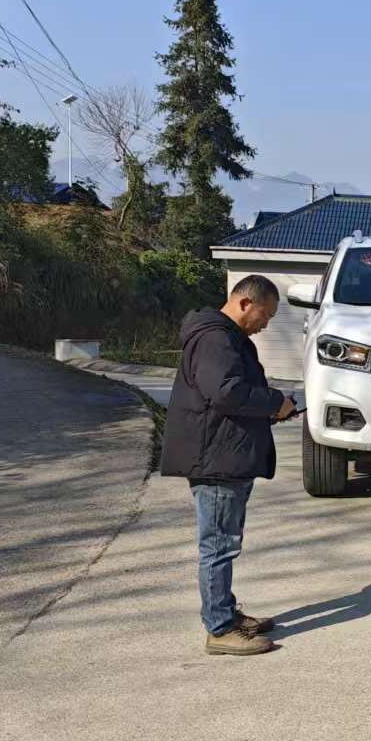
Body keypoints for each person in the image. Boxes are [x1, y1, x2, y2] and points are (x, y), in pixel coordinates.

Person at [160, 275, 298, 654]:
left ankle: (225, 613)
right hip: (216, 460)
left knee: (224, 541)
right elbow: (226, 392)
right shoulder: (215, 338)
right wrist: (274, 402)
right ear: (244, 303)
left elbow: (228, 397)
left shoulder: (226, 337)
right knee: (218, 545)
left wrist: (273, 410)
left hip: (226, 454)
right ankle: (220, 629)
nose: (265, 324)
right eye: (265, 315)